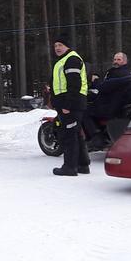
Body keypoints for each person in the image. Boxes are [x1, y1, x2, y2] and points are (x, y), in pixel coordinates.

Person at [50, 33, 90, 177]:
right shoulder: (62, 60)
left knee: (69, 135)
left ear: (67, 46)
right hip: (68, 103)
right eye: (55, 45)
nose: (57, 48)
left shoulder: (71, 59)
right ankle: (83, 165)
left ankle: (70, 167)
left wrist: (68, 105)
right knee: (76, 134)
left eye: (61, 45)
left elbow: (74, 84)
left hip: (71, 104)